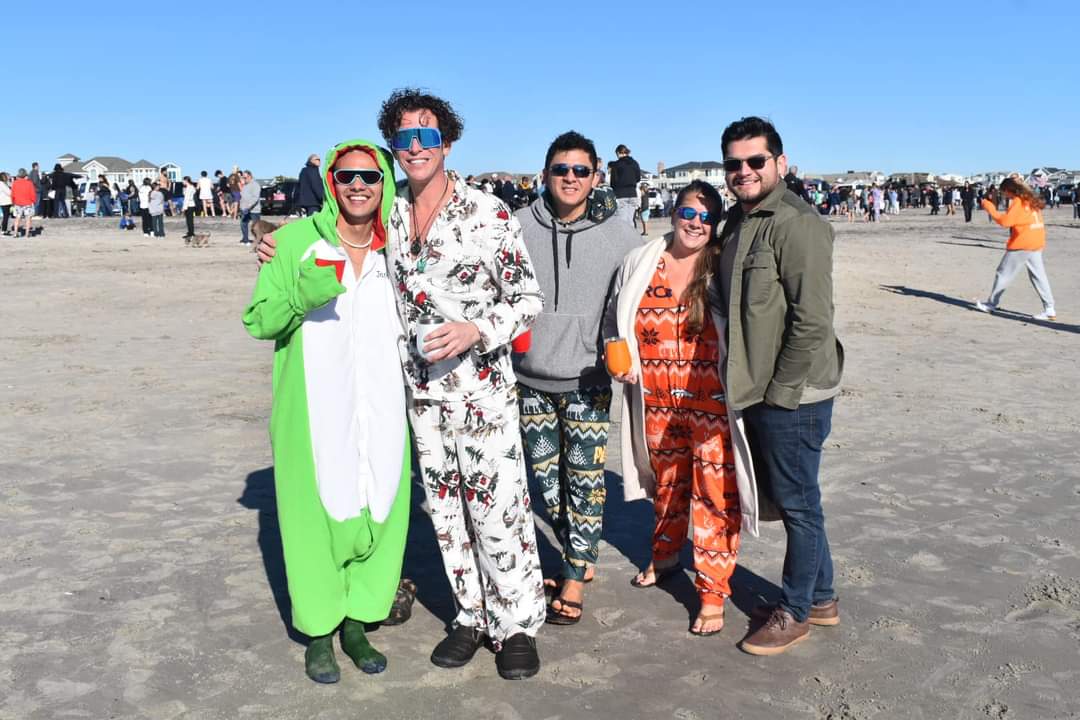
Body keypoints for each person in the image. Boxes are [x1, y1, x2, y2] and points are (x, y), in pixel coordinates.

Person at [243, 138, 411, 684]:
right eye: (346, 177)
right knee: (312, 513)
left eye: (369, 176)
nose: (357, 185)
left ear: (385, 184)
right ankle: (319, 630)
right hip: (314, 404)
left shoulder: (401, 251)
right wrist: (301, 294)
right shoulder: (293, 243)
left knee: (381, 499)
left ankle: (360, 620)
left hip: (383, 401)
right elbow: (259, 321)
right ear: (330, 183)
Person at [608, 180, 765, 637]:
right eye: (687, 213)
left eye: (705, 216)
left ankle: (713, 592)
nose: (695, 223)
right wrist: (618, 357)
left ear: (715, 224)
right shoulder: (641, 261)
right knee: (667, 481)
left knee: (716, 493)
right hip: (655, 395)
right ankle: (665, 555)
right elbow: (614, 316)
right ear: (672, 213)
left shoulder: (721, 266)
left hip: (710, 400)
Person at [715, 116, 844, 656]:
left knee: (797, 504)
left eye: (755, 161)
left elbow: (813, 319)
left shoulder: (796, 223)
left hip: (794, 392)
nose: (744, 171)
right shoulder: (739, 221)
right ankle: (822, 596)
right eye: (734, 164)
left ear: (780, 164)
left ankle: (794, 611)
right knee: (796, 497)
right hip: (758, 387)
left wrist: (783, 392)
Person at [513, 130, 642, 626]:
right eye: (561, 170)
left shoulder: (619, 233)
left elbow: (656, 270)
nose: (570, 178)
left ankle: (573, 574)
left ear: (596, 177)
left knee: (585, 482)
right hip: (529, 377)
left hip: (589, 377)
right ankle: (579, 553)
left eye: (580, 171)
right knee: (548, 485)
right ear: (546, 174)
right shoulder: (517, 224)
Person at [974, 178, 1056, 321]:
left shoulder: (1018, 201)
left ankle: (991, 304)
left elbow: (1005, 222)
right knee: (1038, 276)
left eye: (1003, 192)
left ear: (1008, 190)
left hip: (1023, 243)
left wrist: (988, 206)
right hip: (1036, 240)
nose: (1003, 195)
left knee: (1003, 273)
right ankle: (1049, 308)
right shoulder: (1030, 199)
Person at [608, 144, 641, 226]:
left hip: (620, 194)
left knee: (622, 222)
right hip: (633, 194)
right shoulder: (635, 163)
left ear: (618, 153)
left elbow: (613, 182)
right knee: (630, 221)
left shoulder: (616, 164)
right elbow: (638, 178)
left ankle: (624, 238)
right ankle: (632, 237)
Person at [10, 169, 37, 238]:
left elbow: (12, 194)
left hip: (18, 203)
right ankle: (27, 234)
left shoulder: (15, 183)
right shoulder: (29, 183)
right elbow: (33, 194)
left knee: (17, 218)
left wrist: (13, 202)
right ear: (25, 175)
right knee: (28, 218)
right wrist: (34, 201)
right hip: (28, 203)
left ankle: (15, 233)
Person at [238, 170, 261, 245]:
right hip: (245, 209)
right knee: (243, 224)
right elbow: (243, 197)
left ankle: (258, 241)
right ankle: (245, 239)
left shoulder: (255, 185)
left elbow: (255, 198)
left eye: (245, 177)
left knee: (256, 227)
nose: (244, 179)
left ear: (250, 176)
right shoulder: (245, 186)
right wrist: (241, 207)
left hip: (254, 210)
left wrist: (248, 207)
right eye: (243, 177)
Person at [181, 176, 197, 242]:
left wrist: (184, 207)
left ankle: (191, 233)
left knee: (189, 220)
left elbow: (186, 199)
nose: (183, 182)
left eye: (183, 181)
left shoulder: (189, 188)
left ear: (186, 181)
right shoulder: (191, 187)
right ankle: (190, 232)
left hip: (189, 205)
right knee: (189, 220)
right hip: (191, 205)